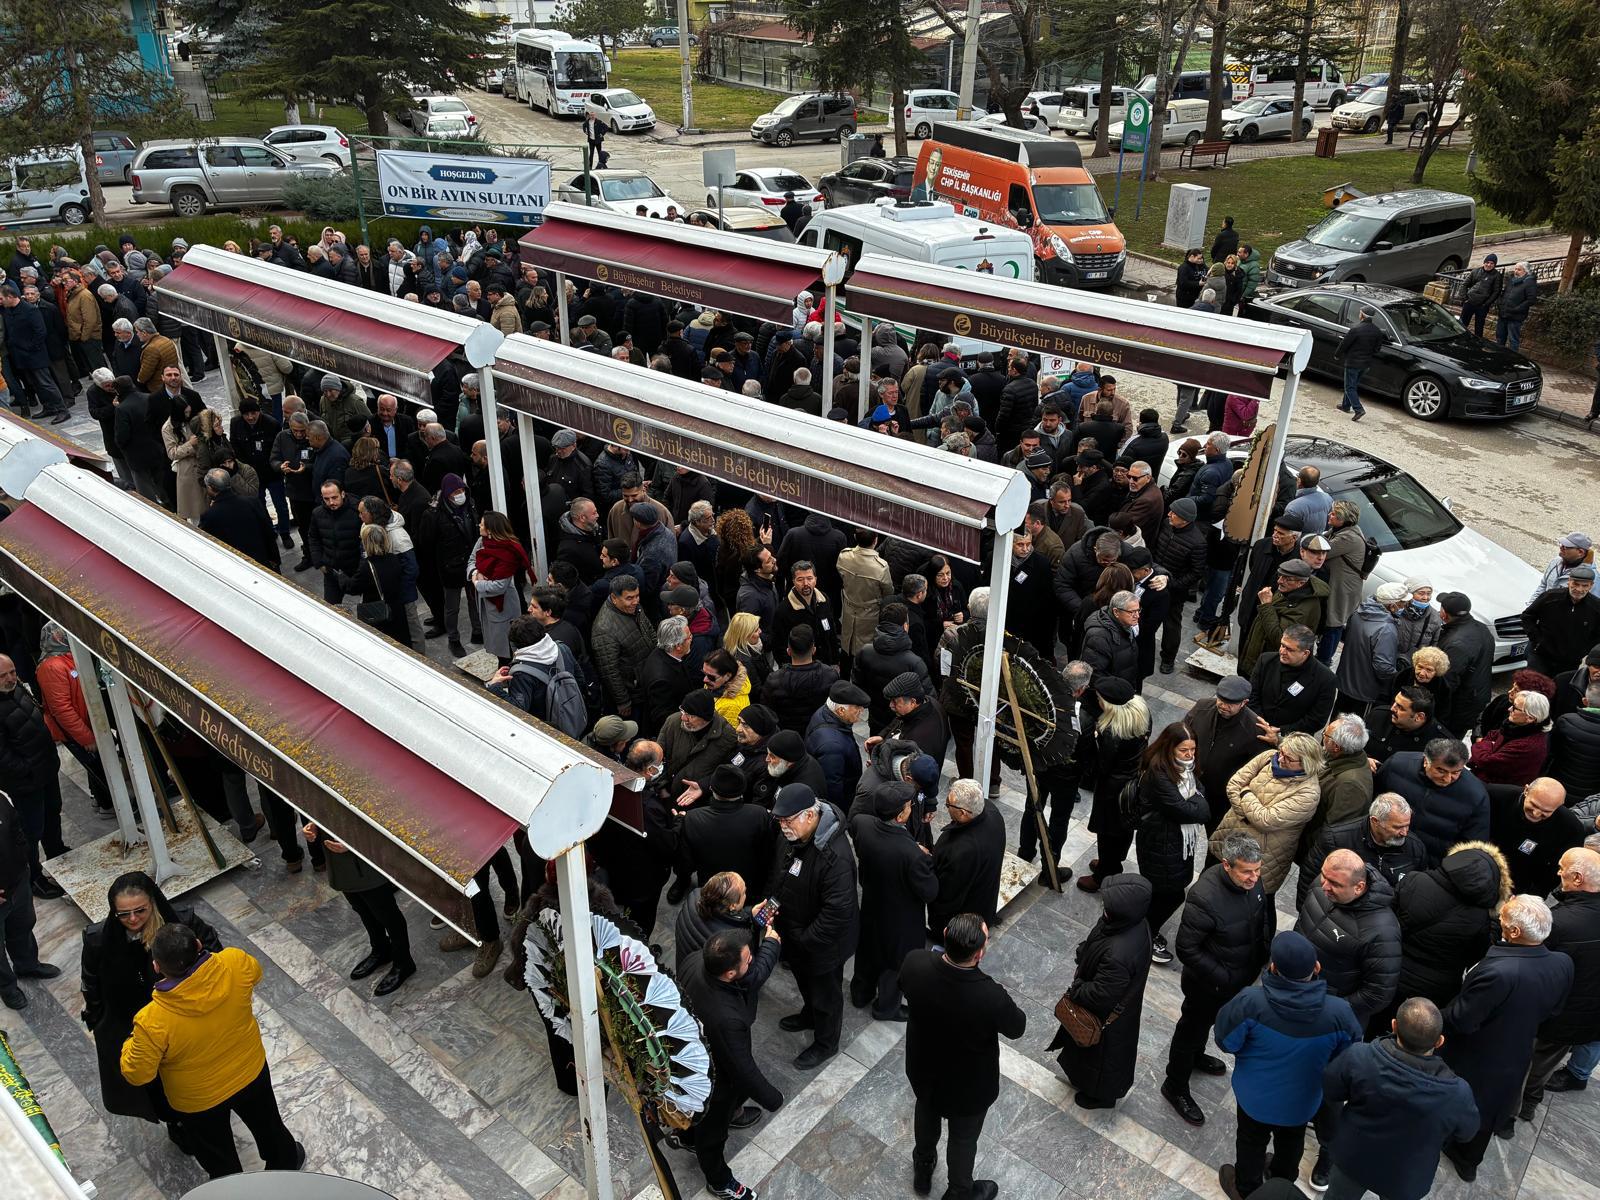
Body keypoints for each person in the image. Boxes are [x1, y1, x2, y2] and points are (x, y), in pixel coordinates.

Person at [120, 925, 304, 1178]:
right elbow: (256, 974)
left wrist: (132, 1041)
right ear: (198, 945)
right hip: (250, 1071)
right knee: (269, 1126)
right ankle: (286, 1162)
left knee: (218, 1156)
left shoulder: (152, 1020)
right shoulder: (234, 961)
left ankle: (233, 1193)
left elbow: (137, 1073)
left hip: (199, 1100)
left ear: (156, 967)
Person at [1213, 931, 1361, 1200]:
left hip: (1254, 1099)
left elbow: (1225, 1041)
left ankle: (1246, 1188)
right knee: (1292, 1140)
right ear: (1316, 967)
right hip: (1303, 1102)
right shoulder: (1339, 1013)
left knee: (1250, 1140)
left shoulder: (1250, 1002)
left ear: (1273, 968)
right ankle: (1282, 1182)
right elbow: (1346, 1059)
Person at [1440, 894, 1572, 1181]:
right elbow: (1555, 1008)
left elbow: (1462, 1019)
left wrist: (1433, 1017)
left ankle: (1461, 1154)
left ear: (1514, 932)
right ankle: (1469, 1159)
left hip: (1477, 1052)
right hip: (1519, 1048)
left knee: (1470, 1103)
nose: (1499, 920)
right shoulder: (1562, 963)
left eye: (1503, 919)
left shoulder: (1500, 971)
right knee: (1491, 1107)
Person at [901, 914, 1025, 1200]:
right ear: (979, 953)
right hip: (968, 1086)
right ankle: (959, 1191)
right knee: (963, 1139)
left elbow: (905, 987)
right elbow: (1017, 1027)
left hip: (924, 1069)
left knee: (926, 1111)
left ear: (945, 934)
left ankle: (923, 1166)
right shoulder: (990, 996)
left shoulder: (915, 963)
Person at [1162, 831, 1272, 1127]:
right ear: (1227, 865)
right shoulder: (1204, 897)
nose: (1254, 878)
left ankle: (1197, 1056)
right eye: (1247, 872)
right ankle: (1175, 1085)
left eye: (1257, 870)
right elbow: (1186, 948)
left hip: (1237, 978)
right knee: (1191, 1029)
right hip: (1208, 985)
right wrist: (1223, 976)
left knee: (1205, 1028)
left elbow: (1260, 917)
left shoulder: (1253, 881)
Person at [1320, 997, 1479, 1200]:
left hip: (1353, 1159)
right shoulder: (1458, 1093)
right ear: (1439, 1041)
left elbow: (1331, 1088)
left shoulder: (1359, 1056)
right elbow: (1466, 1133)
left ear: (1394, 1025)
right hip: (1407, 1177)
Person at [673, 926, 783, 1200]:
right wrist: (772, 1098)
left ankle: (685, 1137)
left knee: (695, 1119)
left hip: (689, 1060)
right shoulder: (727, 1018)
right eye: (749, 960)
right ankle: (719, 1181)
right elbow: (742, 1069)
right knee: (712, 1135)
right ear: (730, 974)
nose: (752, 963)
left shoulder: (695, 960)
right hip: (712, 1083)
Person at [766, 783, 859, 1070]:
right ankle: (809, 1014)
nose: (783, 827)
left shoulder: (836, 857)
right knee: (807, 985)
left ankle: (826, 1042)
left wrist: (804, 940)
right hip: (796, 935)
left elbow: (836, 913)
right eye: (779, 820)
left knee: (826, 996)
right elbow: (782, 874)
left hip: (821, 946)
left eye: (788, 820)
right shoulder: (794, 835)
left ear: (809, 816)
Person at [1050, 873, 1154, 1109]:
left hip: (1105, 1019)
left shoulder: (1119, 953)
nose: (1104, 907)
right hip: (1116, 1014)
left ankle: (1101, 1096)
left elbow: (1100, 994)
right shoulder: (1131, 922)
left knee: (1100, 1057)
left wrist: (1076, 989)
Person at [1521, 848, 1600, 1119]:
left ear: (1577, 878)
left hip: (1557, 1017)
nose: (1558, 872)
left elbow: (1531, 967)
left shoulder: (1560, 923)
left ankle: (1523, 1105)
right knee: (1544, 1064)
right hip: (1585, 1016)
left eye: (1561, 867)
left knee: (1530, 1065)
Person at [849, 783, 937, 1020]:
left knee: (867, 951)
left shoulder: (862, 825)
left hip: (871, 905)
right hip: (901, 919)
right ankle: (886, 1007)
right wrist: (924, 858)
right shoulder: (912, 855)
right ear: (900, 816)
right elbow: (930, 891)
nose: (910, 808)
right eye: (908, 806)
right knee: (895, 963)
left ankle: (860, 993)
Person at [1391, 840, 1509, 1013]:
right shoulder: (1480, 918)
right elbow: (1476, 957)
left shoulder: (1415, 880)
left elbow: (1389, 918)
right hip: (1435, 990)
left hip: (1391, 969)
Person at [302, 821, 413, 996]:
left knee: (387, 914)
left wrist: (354, 842)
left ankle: (403, 962)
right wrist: (314, 823)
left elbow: (384, 819)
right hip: (339, 860)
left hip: (366, 857)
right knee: (362, 908)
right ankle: (381, 949)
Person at [1297, 848, 1402, 1030]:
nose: (1324, 886)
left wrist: (1330, 1009)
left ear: (1359, 887)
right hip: (1294, 991)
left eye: (1335, 884)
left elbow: (1378, 995)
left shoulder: (1383, 932)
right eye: (1324, 876)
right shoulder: (1322, 884)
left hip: (1323, 1015)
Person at [1208, 734, 1325, 897]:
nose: (1281, 759)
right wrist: (1246, 815)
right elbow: (1233, 783)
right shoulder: (1269, 757)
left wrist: (1246, 791)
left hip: (1261, 858)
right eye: (1281, 752)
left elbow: (1265, 820)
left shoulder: (1308, 793)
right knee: (1208, 886)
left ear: (1306, 764)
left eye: (1289, 758)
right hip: (1228, 835)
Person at [1135, 722, 1211, 964]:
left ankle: (1143, 929)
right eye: (1184, 750)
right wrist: (1198, 802)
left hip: (1174, 842)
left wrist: (1196, 801)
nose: (1190, 755)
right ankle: (1144, 935)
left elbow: (1198, 792)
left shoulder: (1183, 768)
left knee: (1164, 891)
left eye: (1193, 750)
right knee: (1170, 894)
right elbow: (1194, 810)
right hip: (1160, 843)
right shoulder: (1159, 773)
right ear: (1169, 748)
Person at [0, 654, 67, 900]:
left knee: (53, 813)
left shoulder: (20, 690)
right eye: (3, 676)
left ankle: (57, 852)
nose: (10, 679)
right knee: (30, 830)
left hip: (45, 770)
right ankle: (34, 876)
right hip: (26, 782)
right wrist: (28, 768)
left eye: (12, 672)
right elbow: (3, 758)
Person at [1077, 677, 1150, 893]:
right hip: (1131, 785)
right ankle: (1112, 862)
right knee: (1123, 830)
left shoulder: (1111, 732)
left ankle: (1103, 875)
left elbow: (1102, 766)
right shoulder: (1141, 715)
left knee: (1107, 833)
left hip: (1112, 790)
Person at [1373, 738, 1490, 863]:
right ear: (1425, 761)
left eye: (1456, 772)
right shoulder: (1396, 765)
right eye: (1441, 771)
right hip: (1382, 846)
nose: (1447, 778)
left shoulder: (1475, 795)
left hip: (1430, 864)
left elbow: (1472, 847)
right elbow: (1373, 801)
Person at [928, 778, 1006, 940]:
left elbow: (947, 895)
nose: (947, 806)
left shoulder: (962, 850)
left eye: (949, 804)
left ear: (963, 813)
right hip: (985, 903)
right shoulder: (991, 812)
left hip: (963, 921)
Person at [1249, 625, 1337, 740]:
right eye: (1282, 645)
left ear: (1305, 653)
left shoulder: (1326, 679)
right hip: (1258, 729)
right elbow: (1252, 695)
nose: (1282, 651)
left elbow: (1316, 720)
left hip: (1292, 741)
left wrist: (1281, 732)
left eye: (1289, 649)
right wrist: (1263, 725)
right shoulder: (1265, 661)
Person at [1334, 582, 1408, 714]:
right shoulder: (1386, 629)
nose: (1405, 606)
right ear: (1392, 606)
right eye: (1402, 603)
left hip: (1345, 681)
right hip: (1365, 690)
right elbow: (1383, 667)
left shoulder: (1358, 613)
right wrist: (1395, 679)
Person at [1522, 565, 1600, 678]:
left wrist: (1582, 651)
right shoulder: (1550, 597)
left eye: (1584, 586)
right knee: (1531, 688)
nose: (1579, 589)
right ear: (1569, 581)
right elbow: (1527, 616)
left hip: (1569, 663)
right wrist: (1537, 640)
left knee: (1560, 692)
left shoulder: (1596, 608)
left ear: (1591, 586)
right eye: (1575, 584)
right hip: (1540, 656)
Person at [1435, 591, 1495, 734]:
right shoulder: (1481, 628)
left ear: (1444, 613)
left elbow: (1447, 682)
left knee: (1446, 742)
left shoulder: (1456, 644)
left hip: (1460, 705)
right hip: (1475, 697)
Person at [1470, 688, 1551, 785]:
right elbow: (1492, 734)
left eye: (1515, 708)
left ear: (1530, 718)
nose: (1509, 709)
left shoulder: (1528, 745)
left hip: (1493, 789)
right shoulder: (1515, 725)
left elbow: (1485, 761)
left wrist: (1484, 745)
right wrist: (1490, 746)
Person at [1333, 308, 1382, 421]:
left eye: (1360, 313)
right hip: (1365, 365)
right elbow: (1377, 349)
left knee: (1349, 387)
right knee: (1353, 385)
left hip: (1353, 362)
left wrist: (1337, 355)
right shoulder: (1377, 331)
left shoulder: (1356, 329)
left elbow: (1344, 344)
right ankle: (1345, 406)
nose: (1359, 314)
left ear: (1362, 315)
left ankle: (1358, 409)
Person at [1457, 253, 1504, 338]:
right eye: (1487, 262)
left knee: (1479, 327)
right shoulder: (1475, 271)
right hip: (1470, 302)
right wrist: (1464, 298)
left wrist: (1486, 304)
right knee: (1462, 324)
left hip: (1482, 306)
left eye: (1492, 263)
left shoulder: (1497, 276)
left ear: (1494, 265)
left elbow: (1496, 292)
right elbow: (1464, 284)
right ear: (1484, 262)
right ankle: (1459, 339)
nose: (1489, 265)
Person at [1496, 261, 1537, 351]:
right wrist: (1500, 304)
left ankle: (1512, 360)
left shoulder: (1529, 282)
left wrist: (1516, 309)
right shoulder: (1511, 280)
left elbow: (1531, 300)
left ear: (1525, 271)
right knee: (1500, 337)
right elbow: (1504, 293)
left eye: (1519, 269)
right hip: (1503, 314)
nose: (1516, 271)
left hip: (1515, 317)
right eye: (1515, 269)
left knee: (1513, 340)